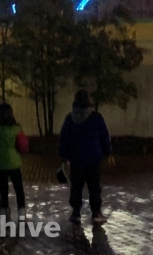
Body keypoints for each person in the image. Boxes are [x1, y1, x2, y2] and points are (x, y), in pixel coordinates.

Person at [59, 89, 112, 225]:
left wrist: (64, 156)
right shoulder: (96, 118)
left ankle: (76, 213)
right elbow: (104, 136)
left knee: (76, 186)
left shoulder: (70, 118)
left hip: (76, 159)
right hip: (93, 158)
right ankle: (96, 212)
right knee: (94, 186)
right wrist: (107, 152)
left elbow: (64, 138)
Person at [0, 102, 29, 219]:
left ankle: (4, 213)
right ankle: (21, 213)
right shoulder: (16, 129)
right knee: (19, 189)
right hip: (13, 164)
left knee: (3, 191)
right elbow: (23, 146)